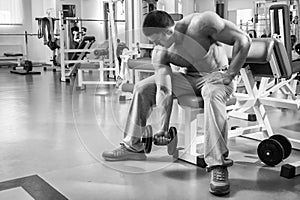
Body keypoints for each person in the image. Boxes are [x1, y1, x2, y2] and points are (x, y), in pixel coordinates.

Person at [102, 10, 251, 196]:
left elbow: (244, 40)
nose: (155, 46)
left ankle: (217, 165)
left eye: (157, 40)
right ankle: (133, 145)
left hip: (217, 76)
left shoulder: (202, 23)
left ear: (169, 31)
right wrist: (163, 129)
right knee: (142, 88)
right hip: (188, 77)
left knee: (211, 94)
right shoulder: (161, 52)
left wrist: (231, 73)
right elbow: (164, 89)